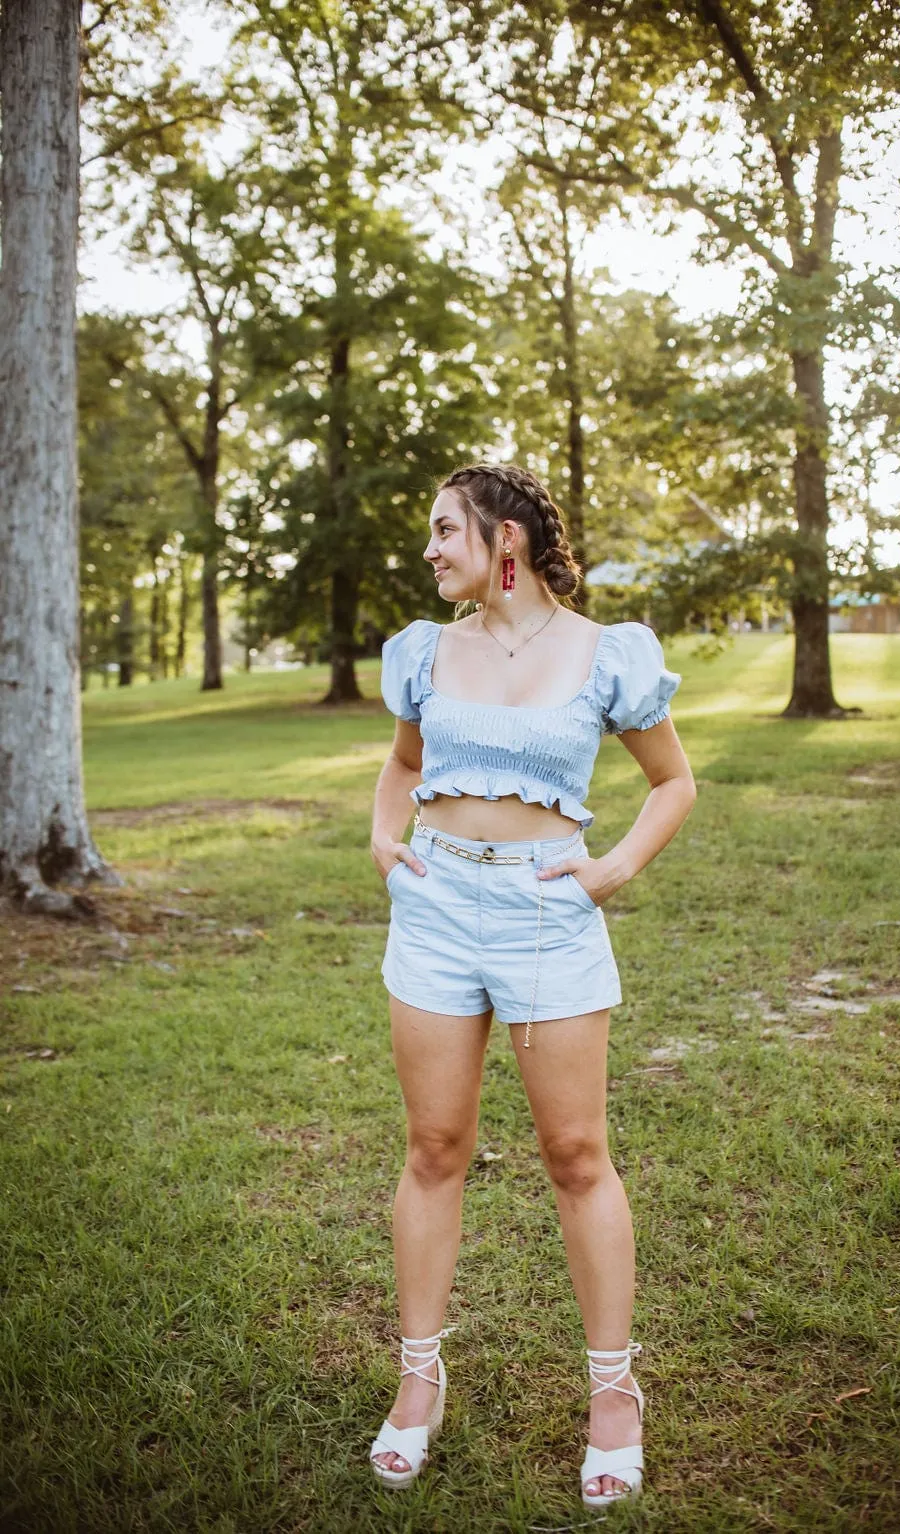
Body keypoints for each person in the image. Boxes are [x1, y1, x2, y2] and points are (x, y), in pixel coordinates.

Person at [368, 463, 696, 1505]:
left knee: (575, 1152)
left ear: (502, 538)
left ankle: (613, 1392)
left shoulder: (607, 654)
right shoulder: (426, 652)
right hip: (434, 912)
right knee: (433, 1147)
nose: (428, 549)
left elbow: (672, 780)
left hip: (549, 915)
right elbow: (402, 763)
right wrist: (385, 843)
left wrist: (615, 868)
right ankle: (419, 1378)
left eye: (442, 530)